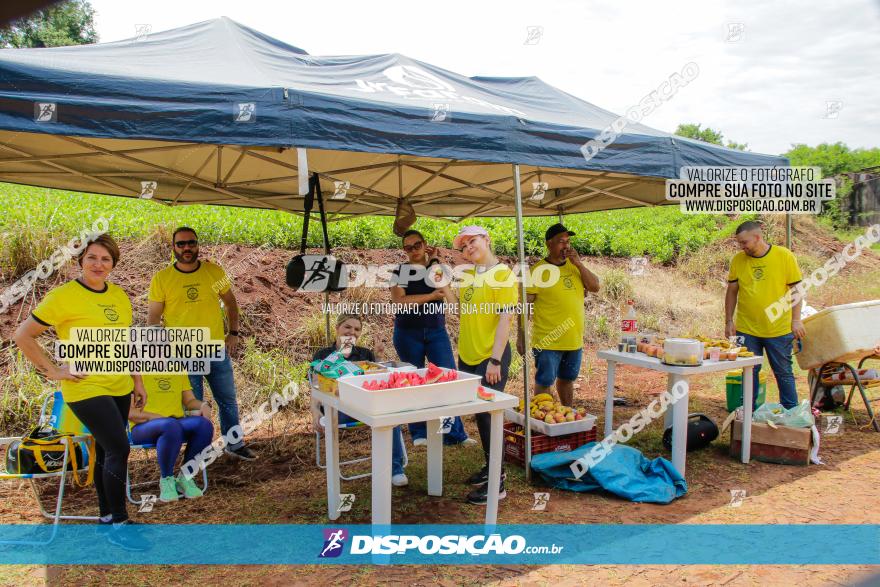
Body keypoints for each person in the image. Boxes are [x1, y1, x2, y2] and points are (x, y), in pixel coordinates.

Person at [13, 234, 148, 550]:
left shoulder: (119, 296)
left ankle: (105, 519)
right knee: (118, 448)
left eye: (105, 259)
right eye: (92, 257)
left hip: (120, 385)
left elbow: (125, 342)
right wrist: (54, 371)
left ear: (113, 264)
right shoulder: (63, 297)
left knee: (105, 451)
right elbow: (24, 335)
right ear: (80, 261)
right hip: (85, 387)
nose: (98, 264)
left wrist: (137, 381)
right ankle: (120, 522)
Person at [147, 227, 256, 461]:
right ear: (173, 247)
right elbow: (153, 318)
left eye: (191, 243)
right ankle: (195, 454)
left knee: (227, 399)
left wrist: (233, 332)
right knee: (193, 405)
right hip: (182, 353)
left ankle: (234, 444)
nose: (187, 248)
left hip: (215, 349)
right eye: (181, 244)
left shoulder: (214, 272)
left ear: (197, 244)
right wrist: (157, 350)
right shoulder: (162, 278)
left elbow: (231, 304)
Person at [443, 225, 518, 505]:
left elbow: (505, 319)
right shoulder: (471, 275)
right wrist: (444, 287)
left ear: (486, 240)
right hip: (469, 356)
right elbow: (462, 311)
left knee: (490, 417)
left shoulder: (503, 275)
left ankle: (498, 483)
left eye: (472, 241)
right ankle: (491, 466)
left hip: (490, 358)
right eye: (463, 246)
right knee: (481, 416)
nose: (468, 248)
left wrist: (495, 360)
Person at [390, 229, 473, 447]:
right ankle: (419, 433)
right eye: (408, 248)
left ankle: (453, 433)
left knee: (446, 379)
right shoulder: (400, 271)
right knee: (414, 381)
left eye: (416, 245)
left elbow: (444, 288)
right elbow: (399, 302)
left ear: (425, 244)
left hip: (436, 331)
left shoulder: (436, 268)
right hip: (408, 332)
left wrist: (436, 260)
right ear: (404, 250)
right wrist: (430, 297)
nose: (413, 251)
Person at [312, 315, 409, 487]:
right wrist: (315, 412)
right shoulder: (323, 355)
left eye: (357, 329)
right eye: (347, 327)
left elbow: (378, 379)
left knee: (389, 412)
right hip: (337, 410)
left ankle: (395, 470)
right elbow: (315, 388)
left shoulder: (364, 353)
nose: (352, 332)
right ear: (337, 328)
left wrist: (379, 358)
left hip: (364, 407)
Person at [517, 223, 600, 407]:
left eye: (568, 242)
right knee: (544, 382)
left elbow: (595, 287)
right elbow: (523, 305)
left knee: (567, 379)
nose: (566, 246)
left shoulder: (574, 267)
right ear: (549, 244)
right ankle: (541, 423)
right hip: (548, 341)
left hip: (573, 340)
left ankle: (566, 415)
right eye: (561, 242)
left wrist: (579, 264)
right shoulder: (538, 271)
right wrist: (521, 336)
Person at [725, 220, 804, 409]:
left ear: (758, 237)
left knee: (783, 372)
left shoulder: (784, 256)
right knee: (749, 371)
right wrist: (728, 320)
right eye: (739, 243)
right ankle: (747, 415)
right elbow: (732, 291)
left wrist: (796, 320)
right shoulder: (738, 260)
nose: (741, 247)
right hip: (747, 329)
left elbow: (797, 290)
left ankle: (791, 412)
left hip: (778, 328)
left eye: (744, 242)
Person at [128, 372, 213, 502]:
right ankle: (167, 479)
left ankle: (186, 477)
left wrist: (202, 405)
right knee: (170, 425)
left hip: (174, 424)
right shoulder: (134, 370)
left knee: (204, 425)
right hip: (142, 426)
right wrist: (157, 417)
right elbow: (130, 412)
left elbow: (189, 401)